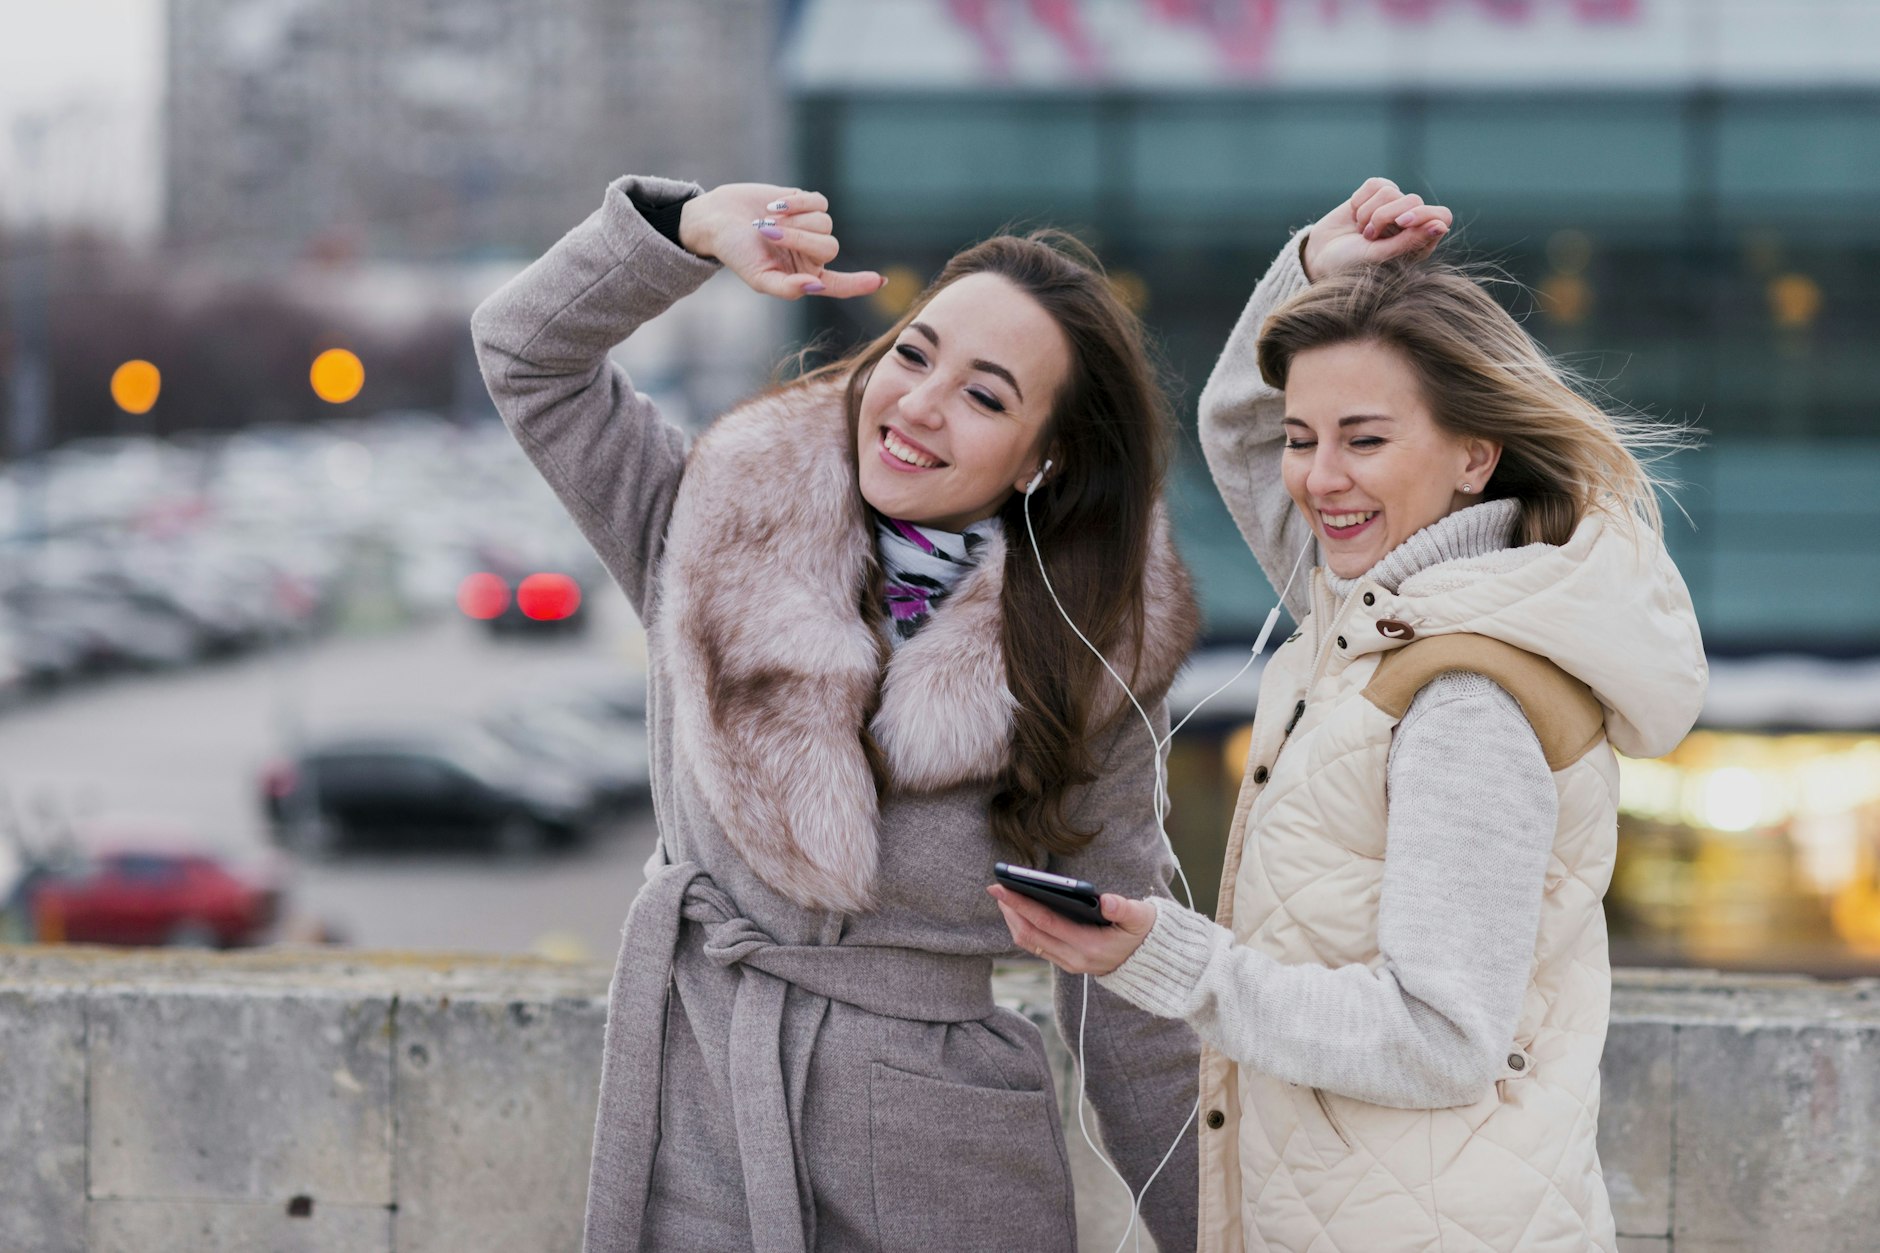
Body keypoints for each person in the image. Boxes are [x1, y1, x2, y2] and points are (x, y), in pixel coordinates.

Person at [471, 175, 1202, 1253]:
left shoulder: (1090, 659)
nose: (918, 404)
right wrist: (687, 232)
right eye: (914, 353)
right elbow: (526, 352)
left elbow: (1122, 990)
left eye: (985, 396)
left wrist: (1211, 1228)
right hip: (702, 1123)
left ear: (1044, 459)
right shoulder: (713, 524)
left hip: (948, 1170)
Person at [992, 177, 1708, 1251]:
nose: (1318, 478)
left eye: (1363, 440)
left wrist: (1182, 963)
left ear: (1474, 454)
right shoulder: (1372, 604)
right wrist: (1310, 274)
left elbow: (1439, 1035)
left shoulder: (1464, 696)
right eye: (1304, 438)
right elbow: (1237, 427)